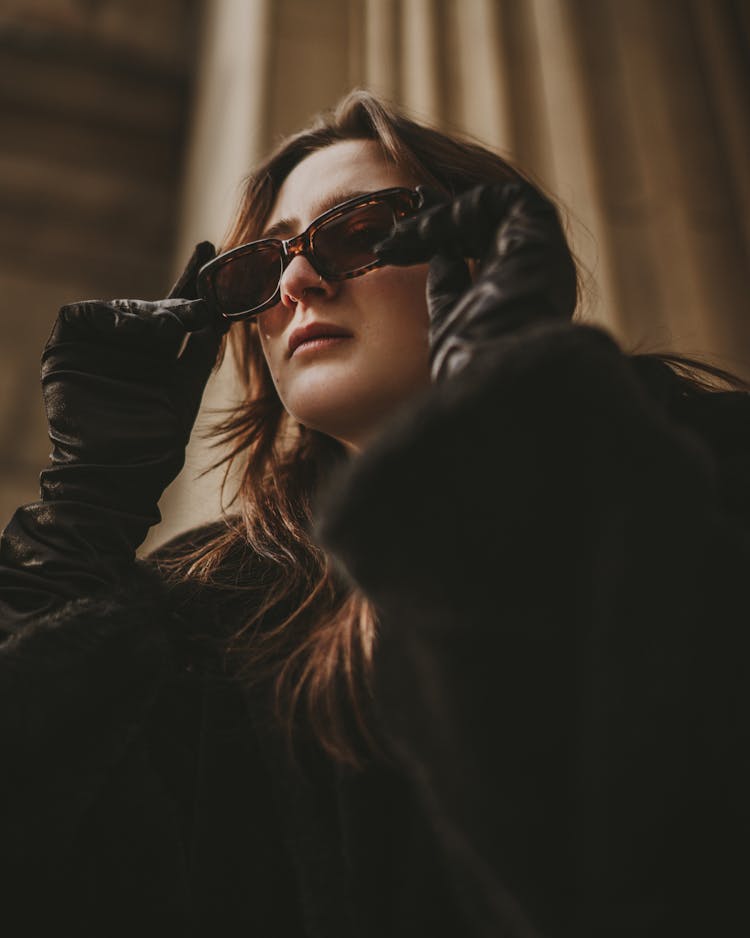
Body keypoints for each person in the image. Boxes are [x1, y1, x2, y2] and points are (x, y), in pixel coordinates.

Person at [1, 89, 748, 937]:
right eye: (256, 269)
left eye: (356, 232)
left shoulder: (712, 471)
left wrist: (515, 433)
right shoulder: (205, 617)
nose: (294, 282)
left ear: (479, 254)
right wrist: (82, 515)